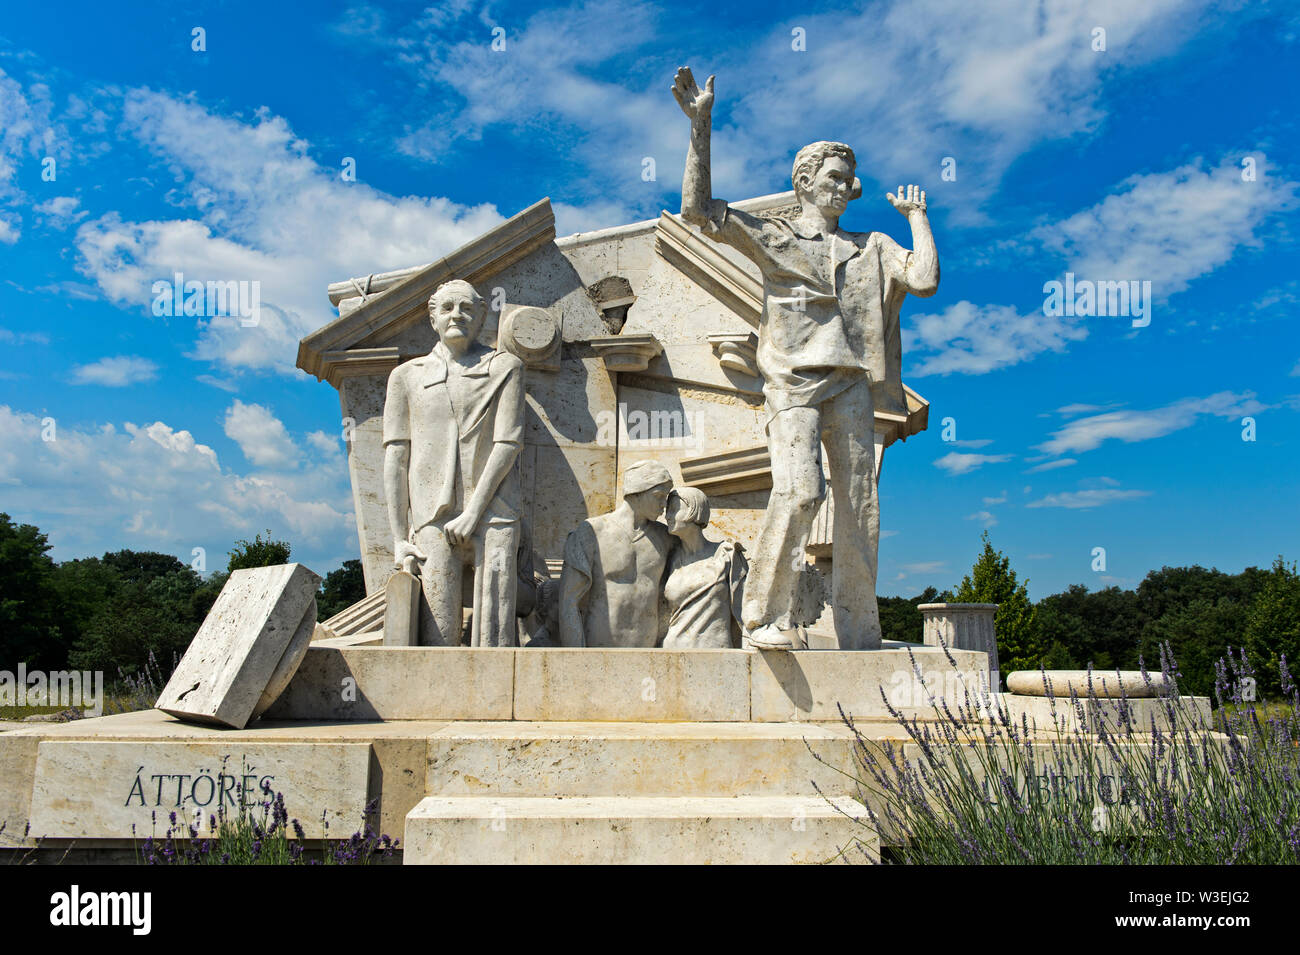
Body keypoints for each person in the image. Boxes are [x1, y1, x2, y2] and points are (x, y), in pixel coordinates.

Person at [672, 66, 939, 650]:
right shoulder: (775, 237)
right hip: (793, 384)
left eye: (850, 179)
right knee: (799, 491)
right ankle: (764, 614)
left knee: (860, 505)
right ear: (806, 182)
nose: (845, 186)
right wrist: (701, 127)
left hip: (850, 384)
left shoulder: (870, 246)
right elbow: (696, 210)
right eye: (834, 177)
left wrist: (916, 218)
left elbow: (923, 280)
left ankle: (859, 626)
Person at [382, 279, 524, 647]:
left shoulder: (505, 366)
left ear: (481, 317)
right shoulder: (406, 376)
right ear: (433, 319)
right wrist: (399, 538)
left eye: (466, 308)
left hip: (495, 509)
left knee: (495, 633)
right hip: (431, 512)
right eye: (447, 308)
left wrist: (473, 513)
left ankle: (498, 703)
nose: (456, 315)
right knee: (437, 629)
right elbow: (396, 458)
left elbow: (508, 444)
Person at [559, 460, 673, 648]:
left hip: (649, 654)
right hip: (598, 650)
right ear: (635, 492)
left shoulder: (666, 538)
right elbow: (569, 601)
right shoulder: (592, 532)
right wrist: (574, 656)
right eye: (659, 496)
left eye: (666, 498)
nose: (664, 505)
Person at [662, 486, 747, 649]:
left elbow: (746, 607)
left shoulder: (726, 554)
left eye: (673, 510)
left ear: (695, 510)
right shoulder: (669, 560)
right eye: (667, 510)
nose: (667, 516)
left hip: (716, 653)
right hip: (672, 651)